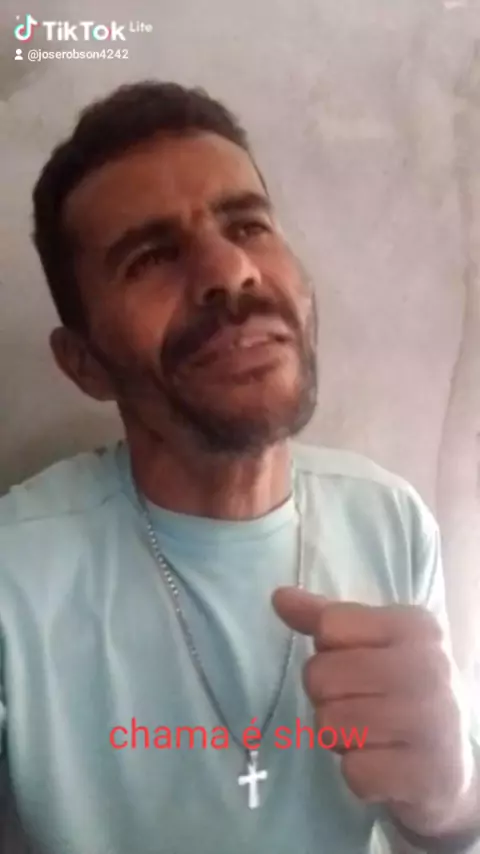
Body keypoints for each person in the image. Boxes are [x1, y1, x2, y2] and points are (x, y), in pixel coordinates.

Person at [0, 80, 479, 854]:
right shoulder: (16, 573)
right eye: (152, 257)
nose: (230, 270)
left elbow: (450, 816)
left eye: (249, 225)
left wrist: (449, 802)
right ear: (84, 363)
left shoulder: (389, 519)